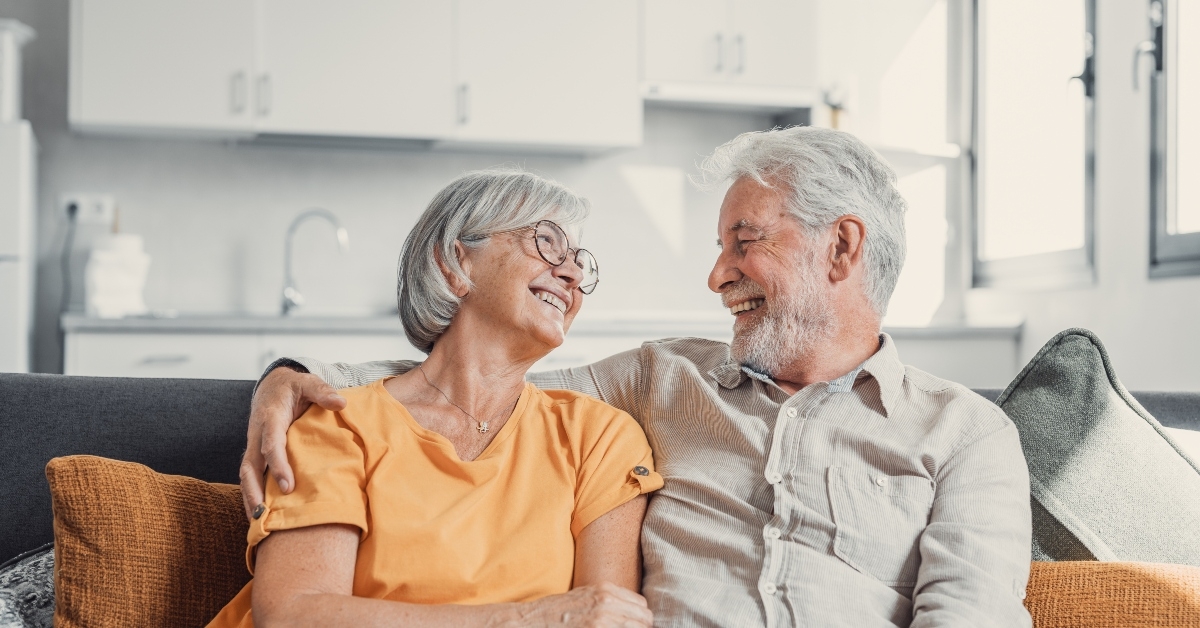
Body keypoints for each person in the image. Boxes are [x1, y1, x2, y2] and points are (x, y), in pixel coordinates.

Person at [243, 127, 1033, 627]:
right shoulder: (657, 380)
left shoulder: (965, 434)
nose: (718, 274)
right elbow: (476, 381)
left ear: (841, 249)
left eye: (744, 241)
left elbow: (970, 614)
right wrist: (299, 375)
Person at [209, 170, 662, 627]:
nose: (572, 274)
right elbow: (293, 615)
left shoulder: (599, 438)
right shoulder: (340, 423)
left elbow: (609, 619)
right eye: (546, 242)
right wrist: (529, 619)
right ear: (455, 263)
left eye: (580, 262)